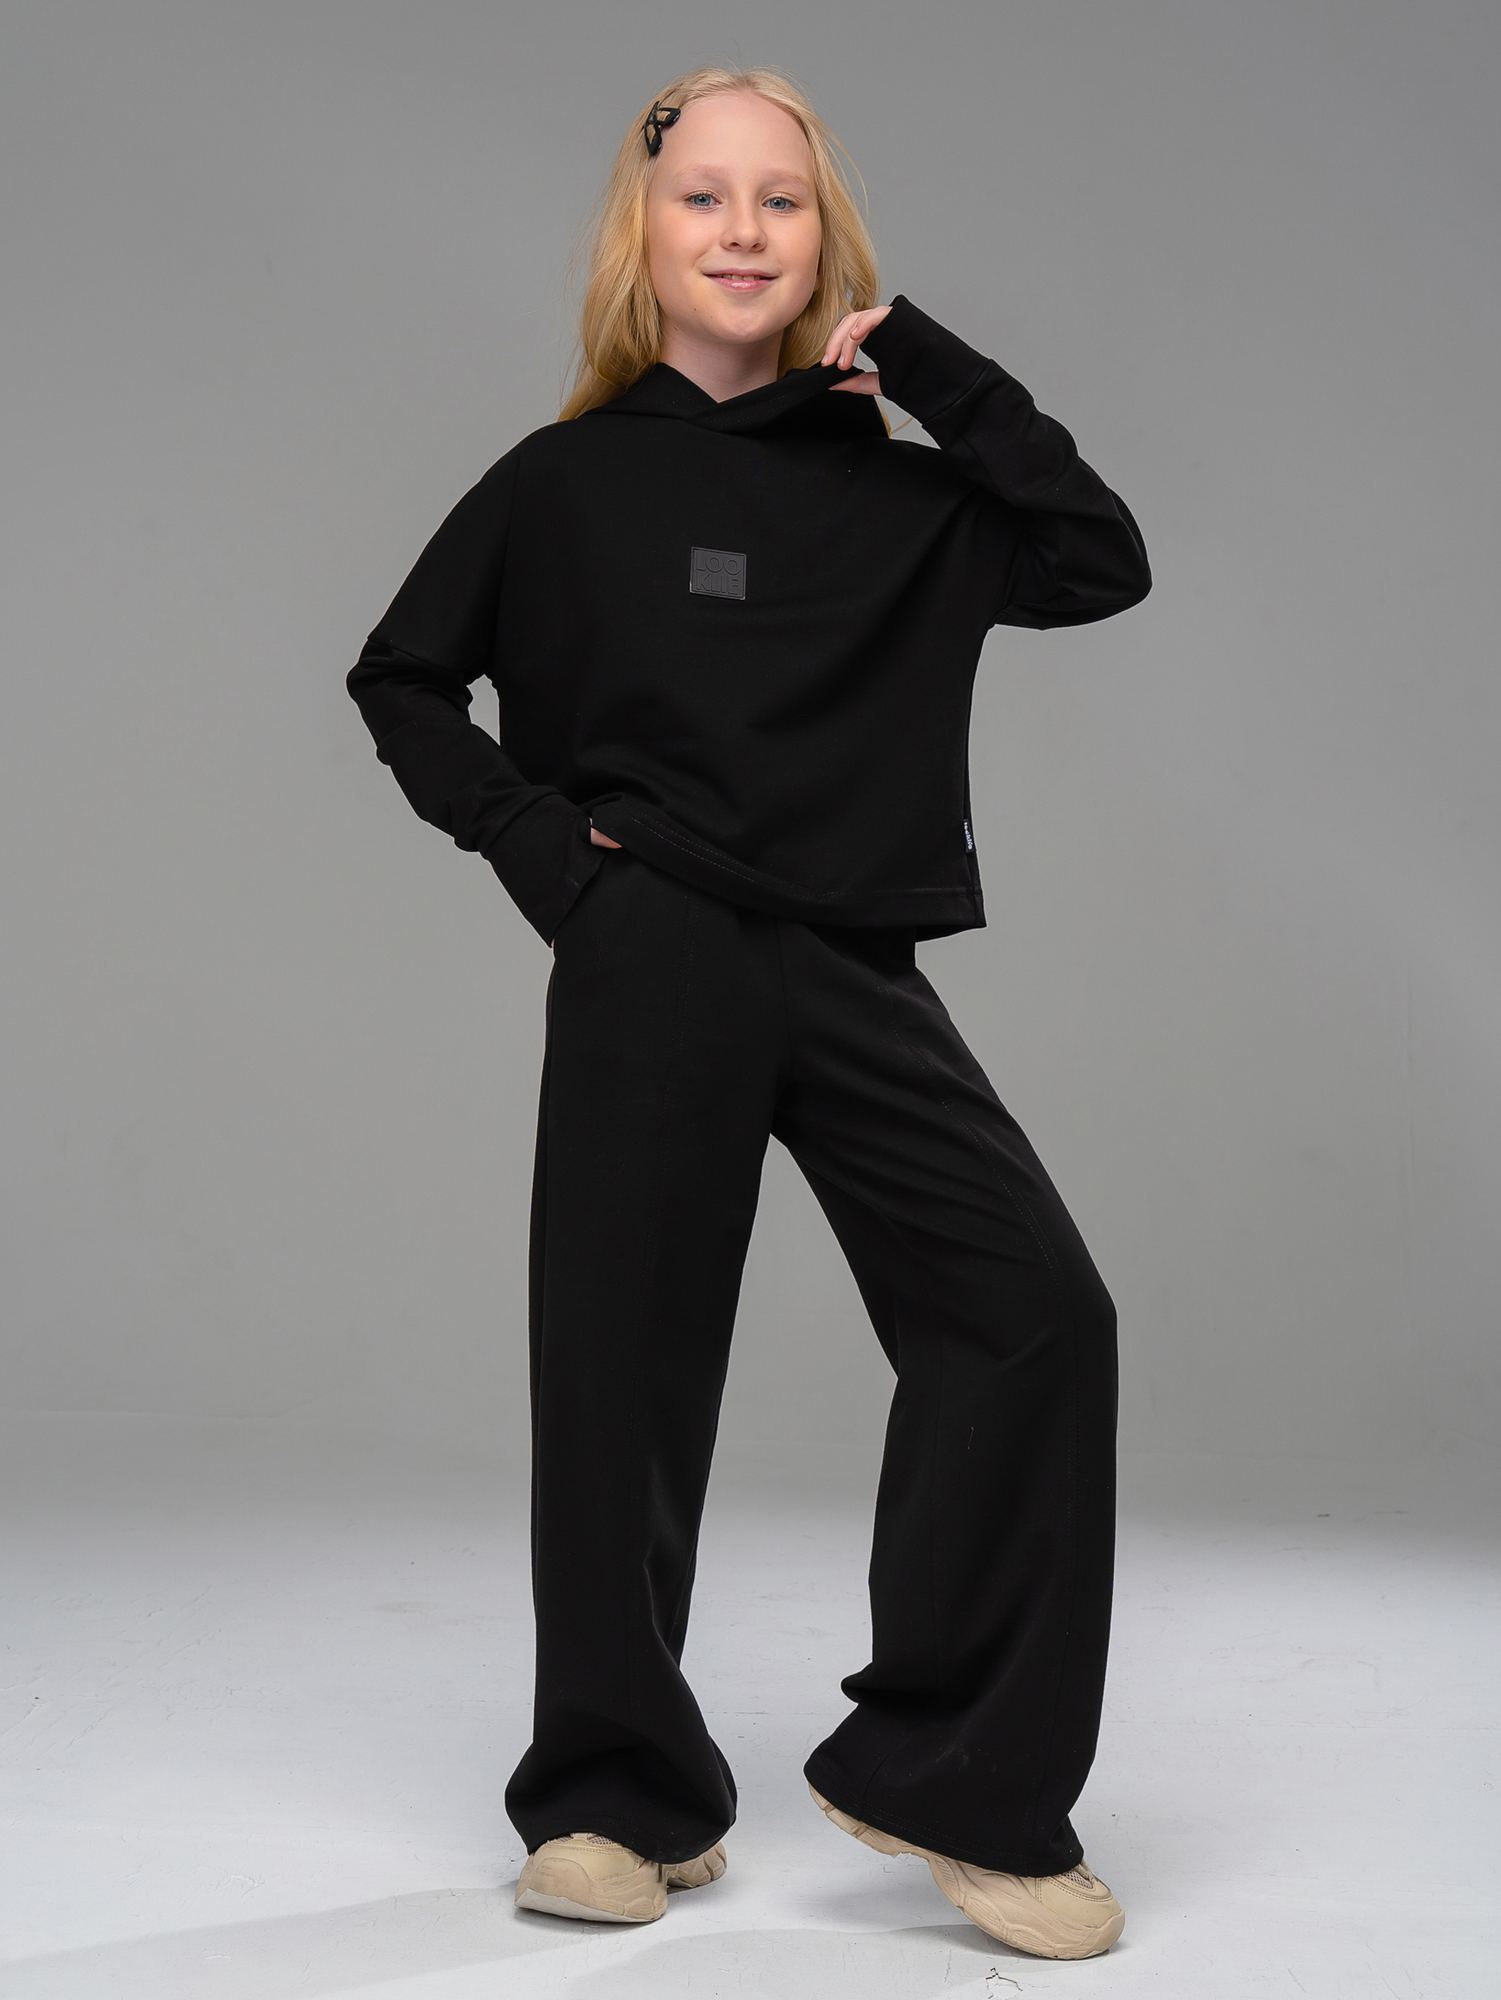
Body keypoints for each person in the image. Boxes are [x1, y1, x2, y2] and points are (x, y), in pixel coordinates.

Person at [345, 65, 1150, 1961]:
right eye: (702, 196)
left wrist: (928, 367)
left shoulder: (901, 496)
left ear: (824, 242)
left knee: (1034, 1316)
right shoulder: (560, 484)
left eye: (779, 201)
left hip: (853, 961)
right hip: (654, 953)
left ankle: (955, 1776)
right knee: (619, 1369)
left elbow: (1097, 557)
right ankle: (612, 1799)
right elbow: (401, 680)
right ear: (642, 233)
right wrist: (551, 861)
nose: (740, 230)